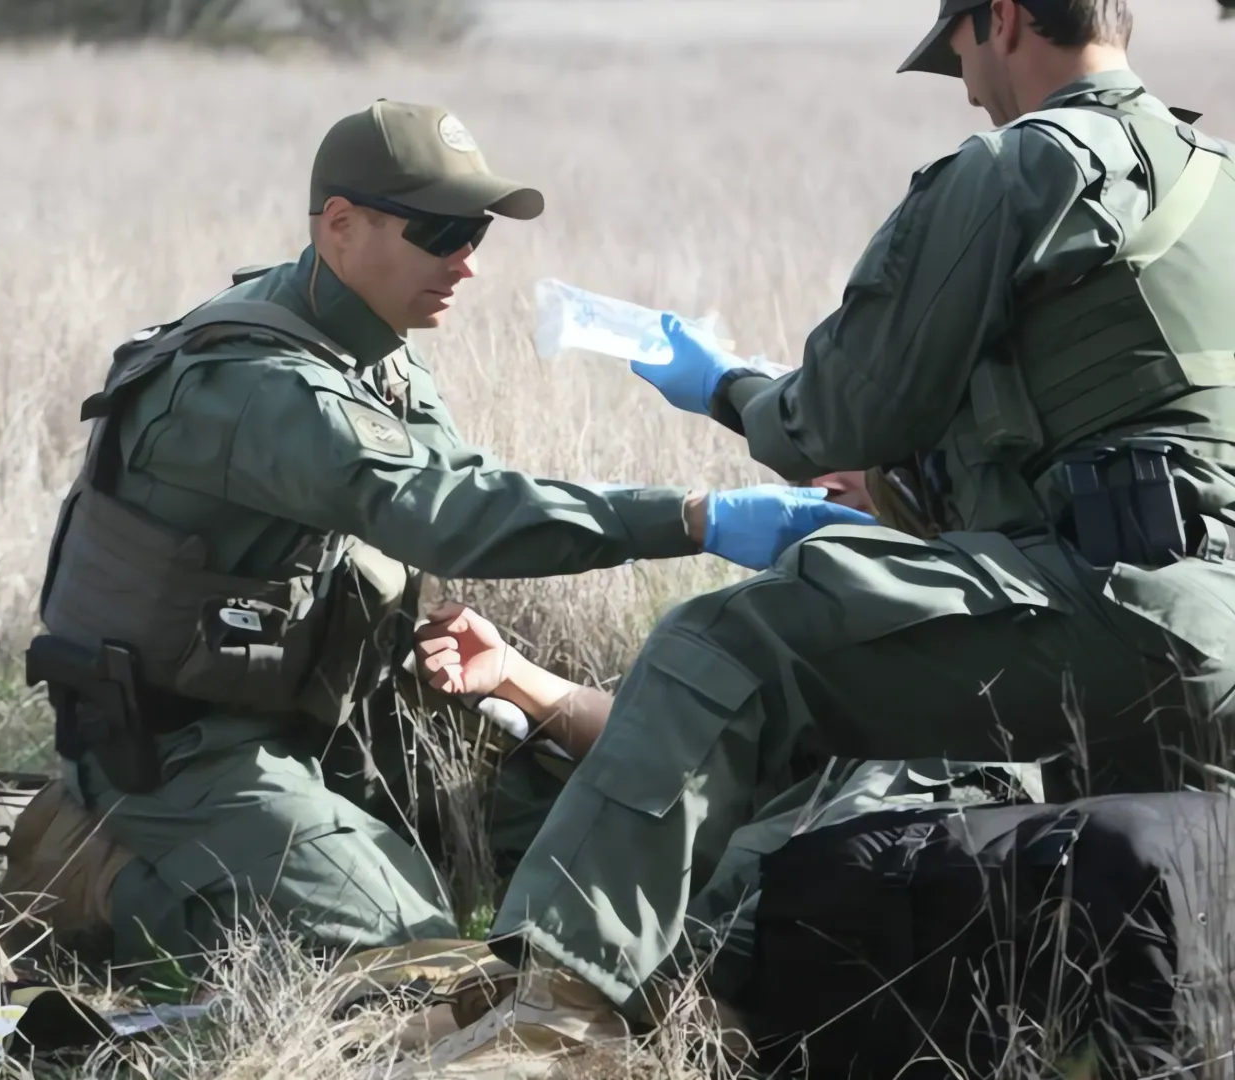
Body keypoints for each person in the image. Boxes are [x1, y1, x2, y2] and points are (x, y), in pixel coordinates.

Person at [445, 0, 1235, 1062]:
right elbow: (1135, 435)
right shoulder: (1216, 179)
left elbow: (844, 410)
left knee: (725, 647)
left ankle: (555, 1019)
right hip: (1208, 631)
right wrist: (916, 500)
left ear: (1000, 18)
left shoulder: (1024, 168)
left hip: (1127, 612)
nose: (963, 82)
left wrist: (725, 386)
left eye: (956, 48)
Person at [0, 99, 873, 982]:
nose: (468, 263)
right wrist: (696, 520)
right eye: (442, 232)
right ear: (341, 226)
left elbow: (464, 483)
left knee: (603, 826)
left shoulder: (364, 341)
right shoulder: (256, 387)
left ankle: (305, 848)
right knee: (409, 959)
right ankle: (96, 875)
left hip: (327, 712)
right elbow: (447, 513)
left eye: (477, 232)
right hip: (187, 747)